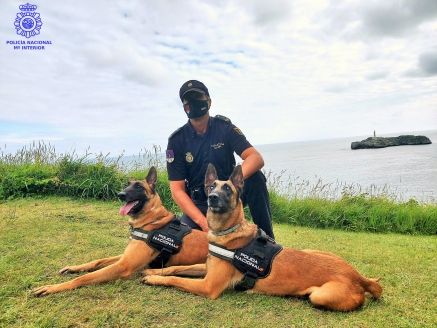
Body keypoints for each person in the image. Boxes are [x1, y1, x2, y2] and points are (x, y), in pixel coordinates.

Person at [165, 80, 275, 238]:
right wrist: (204, 223)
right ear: (184, 107)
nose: (192, 102)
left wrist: (230, 185)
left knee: (256, 178)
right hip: (201, 203)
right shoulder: (177, 140)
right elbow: (177, 190)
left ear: (208, 102)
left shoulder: (225, 128)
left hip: (230, 197)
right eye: (187, 100)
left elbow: (256, 158)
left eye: (197, 96)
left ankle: (267, 239)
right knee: (182, 243)